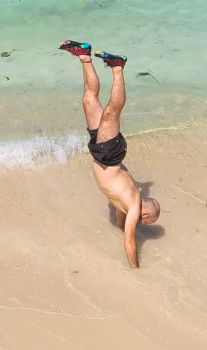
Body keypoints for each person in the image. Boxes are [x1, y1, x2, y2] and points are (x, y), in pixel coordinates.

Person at [59, 40, 161, 268]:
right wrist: (136, 269)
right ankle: (117, 68)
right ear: (145, 217)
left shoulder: (124, 204)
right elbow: (130, 241)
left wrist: (118, 226)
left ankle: (84, 56)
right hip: (109, 155)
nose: (136, 223)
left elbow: (119, 222)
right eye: (142, 223)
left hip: (101, 152)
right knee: (111, 112)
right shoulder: (134, 206)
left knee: (89, 99)